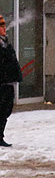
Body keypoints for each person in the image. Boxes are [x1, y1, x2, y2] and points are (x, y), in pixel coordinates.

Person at [0, 15, 22, 147]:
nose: (4, 28)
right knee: (2, 111)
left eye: (4, 25)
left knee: (5, 111)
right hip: (2, 83)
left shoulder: (5, 42)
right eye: (1, 26)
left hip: (8, 83)